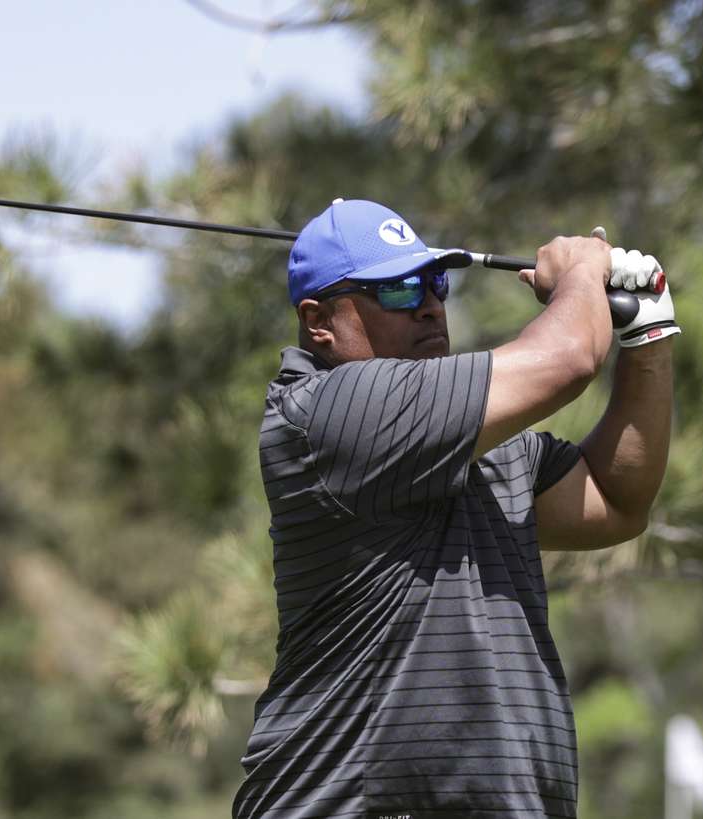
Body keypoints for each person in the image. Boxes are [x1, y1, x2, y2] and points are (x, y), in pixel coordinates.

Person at [233, 199, 678, 819]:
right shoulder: (327, 414)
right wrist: (581, 269)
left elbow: (616, 501)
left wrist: (648, 342)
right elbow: (571, 357)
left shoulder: (479, 445)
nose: (428, 305)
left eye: (434, 282)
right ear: (319, 322)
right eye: (396, 289)